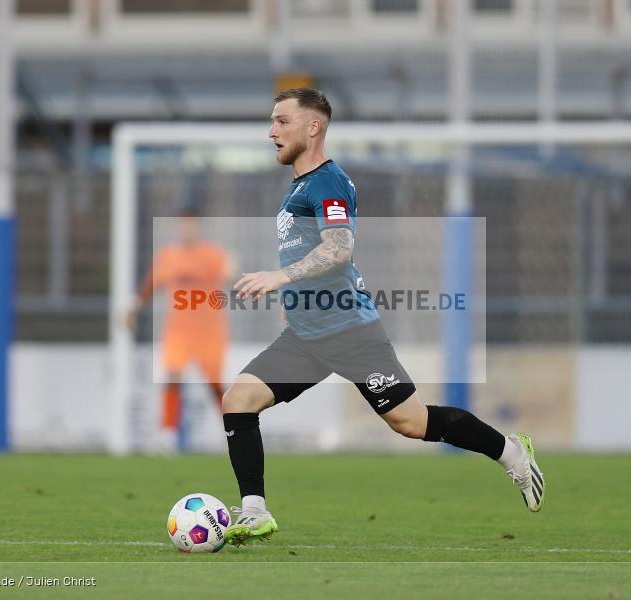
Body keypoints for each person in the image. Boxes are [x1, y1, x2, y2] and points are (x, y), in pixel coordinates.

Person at [223, 88, 545, 546]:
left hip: (351, 333)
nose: (272, 131)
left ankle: (512, 453)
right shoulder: (299, 185)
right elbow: (308, 252)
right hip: (307, 336)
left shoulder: (328, 182)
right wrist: (289, 300)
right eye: (272, 122)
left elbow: (339, 249)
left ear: (313, 126)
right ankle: (254, 512)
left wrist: (278, 277)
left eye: (281, 121)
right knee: (238, 400)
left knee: (410, 423)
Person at [127, 210, 231, 443]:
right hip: (179, 330)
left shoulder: (212, 255)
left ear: (198, 227)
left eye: (191, 225)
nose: (187, 230)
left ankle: (233, 430)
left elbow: (229, 274)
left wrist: (235, 271)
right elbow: (151, 285)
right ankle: (168, 432)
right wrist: (133, 308)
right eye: (183, 225)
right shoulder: (169, 256)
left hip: (209, 330)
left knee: (215, 383)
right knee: (172, 376)